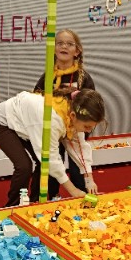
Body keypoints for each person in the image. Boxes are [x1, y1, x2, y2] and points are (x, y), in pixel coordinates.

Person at [0, 88, 105, 207]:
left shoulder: (72, 114)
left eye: (92, 127)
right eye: (87, 127)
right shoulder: (52, 119)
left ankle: (35, 202)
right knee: (24, 166)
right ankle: (12, 206)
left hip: (27, 124)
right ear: (73, 115)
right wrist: (74, 191)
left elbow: (79, 147)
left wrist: (89, 180)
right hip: (2, 123)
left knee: (42, 165)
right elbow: (50, 158)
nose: (88, 131)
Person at [34, 29, 96, 198]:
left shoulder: (84, 78)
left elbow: (91, 106)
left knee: (77, 167)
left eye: (69, 44)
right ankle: (49, 197)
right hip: (53, 129)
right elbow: (36, 100)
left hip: (75, 130)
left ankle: (82, 197)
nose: (64, 46)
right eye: (60, 43)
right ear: (54, 49)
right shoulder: (48, 76)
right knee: (52, 164)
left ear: (77, 51)